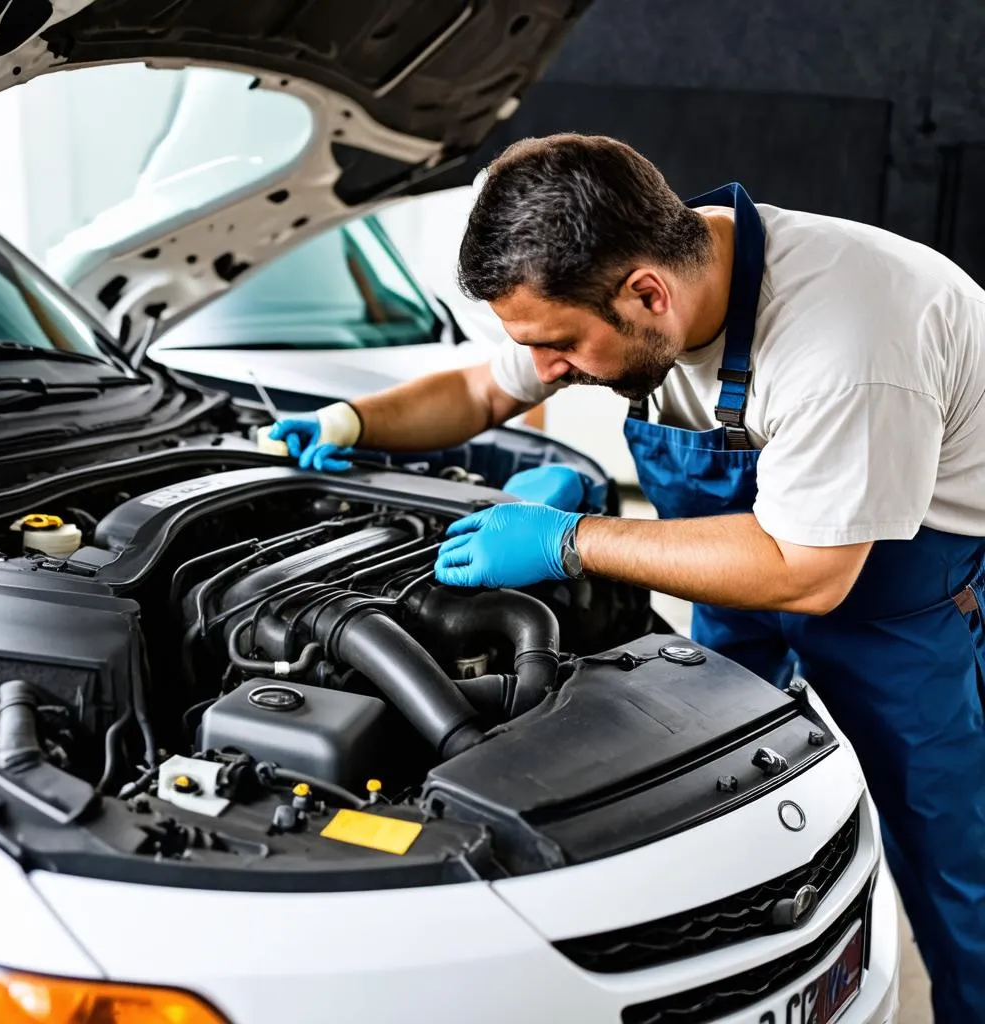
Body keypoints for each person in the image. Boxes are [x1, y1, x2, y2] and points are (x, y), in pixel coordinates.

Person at [270, 134, 985, 1021]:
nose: (548, 373)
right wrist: (347, 421)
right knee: (703, 796)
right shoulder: (628, 285)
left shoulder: (853, 336)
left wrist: (572, 540)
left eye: (564, 348)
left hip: (897, 584)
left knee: (949, 844)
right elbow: (481, 392)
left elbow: (807, 573)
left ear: (648, 293)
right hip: (736, 571)